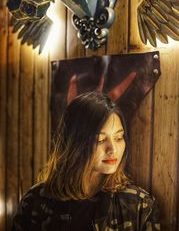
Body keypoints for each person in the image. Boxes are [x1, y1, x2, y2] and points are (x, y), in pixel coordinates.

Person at [12, 91, 160, 230]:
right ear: (75, 144)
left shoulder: (139, 204)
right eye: (100, 140)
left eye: (118, 138)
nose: (113, 149)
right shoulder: (35, 201)